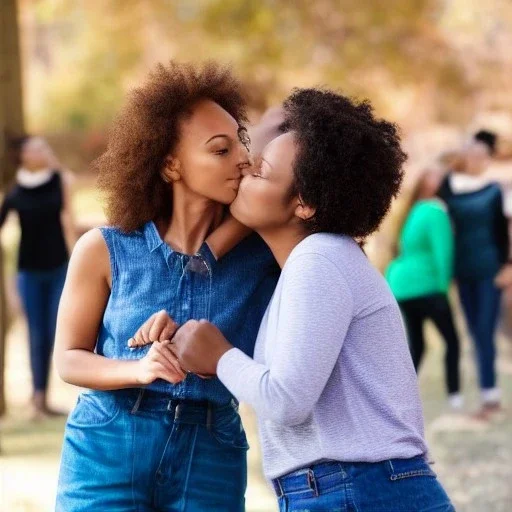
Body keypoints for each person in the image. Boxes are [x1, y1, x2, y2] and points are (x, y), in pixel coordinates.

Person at [142, 88, 455, 511]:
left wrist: (219, 357)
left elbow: (287, 400)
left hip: (357, 488)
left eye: (261, 172)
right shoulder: (311, 265)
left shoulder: (318, 261)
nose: (245, 171)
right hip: (354, 487)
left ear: (303, 204)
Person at [54, 62, 279, 511]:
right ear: (171, 164)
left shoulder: (264, 255)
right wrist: (138, 369)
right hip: (108, 444)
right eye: (220, 149)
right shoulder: (104, 248)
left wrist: (232, 231)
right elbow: (68, 359)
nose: (243, 159)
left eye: (242, 142)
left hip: (211, 450)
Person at [0, 136, 75, 419]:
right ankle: (38, 398)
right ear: (22, 156)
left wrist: (74, 262)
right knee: (36, 334)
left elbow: (69, 219)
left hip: (59, 268)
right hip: (29, 272)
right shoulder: (16, 190)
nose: (43, 151)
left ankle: (50, 396)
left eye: (45, 146)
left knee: (56, 330)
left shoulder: (60, 181)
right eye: (35, 149)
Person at [438, 130, 507, 417]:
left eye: (483, 155)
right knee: (473, 332)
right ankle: (485, 394)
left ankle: (490, 396)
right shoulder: (450, 188)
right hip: (462, 271)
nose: (477, 159)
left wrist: (508, 266)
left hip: (490, 270)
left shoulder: (493, 191)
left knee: (484, 331)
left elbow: (502, 233)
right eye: (472, 154)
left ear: (488, 160)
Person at [386, 170, 462, 409]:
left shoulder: (412, 210)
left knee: (417, 344)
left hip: (400, 286)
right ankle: (455, 396)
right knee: (452, 341)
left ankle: (400, 396)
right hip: (427, 285)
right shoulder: (435, 211)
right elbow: (444, 252)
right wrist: (443, 286)